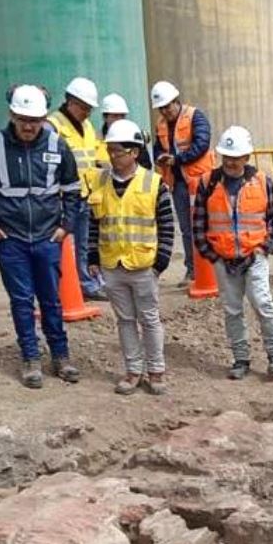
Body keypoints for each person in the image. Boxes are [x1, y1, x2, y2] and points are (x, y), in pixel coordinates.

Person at [0, 84, 81, 389]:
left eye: (35, 120)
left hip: (47, 237)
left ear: (44, 118)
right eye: (22, 119)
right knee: (21, 301)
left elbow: (72, 190)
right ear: (11, 115)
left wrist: (65, 227)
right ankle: (30, 357)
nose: (29, 126)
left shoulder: (57, 145)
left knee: (52, 300)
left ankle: (61, 355)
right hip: (10, 239)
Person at [86, 119, 172, 395]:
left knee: (149, 318)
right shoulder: (101, 181)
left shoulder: (153, 183)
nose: (112, 156)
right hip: (113, 264)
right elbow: (93, 222)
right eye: (110, 150)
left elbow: (167, 224)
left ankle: (156, 371)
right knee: (124, 320)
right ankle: (133, 370)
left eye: (118, 151)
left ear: (134, 152)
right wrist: (92, 257)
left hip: (143, 264)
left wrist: (161, 261)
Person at [192, 125, 273, 381]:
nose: (232, 162)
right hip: (223, 258)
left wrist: (265, 248)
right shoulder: (208, 183)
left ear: (247, 157)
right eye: (228, 157)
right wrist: (211, 254)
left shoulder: (262, 182)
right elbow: (198, 222)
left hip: (254, 255)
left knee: (262, 303)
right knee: (232, 310)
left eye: (237, 157)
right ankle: (240, 358)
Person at [49, 76, 107, 302]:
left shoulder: (86, 126)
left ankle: (85, 284)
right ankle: (58, 287)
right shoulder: (53, 125)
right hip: (61, 196)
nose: (87, 113)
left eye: (90, 109)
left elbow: (95, 153)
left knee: (84, 244)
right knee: (59, 243)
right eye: (84, 108)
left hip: (84, 194)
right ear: (71, 102)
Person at [149, 80, 212, 288]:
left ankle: (211, 268)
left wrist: (177, 159)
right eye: (161, 108)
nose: (164, 112)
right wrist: (159, 158)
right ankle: (192, 270)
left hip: (200, 181)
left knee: (204, 226)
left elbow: (202, 144)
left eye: (167, 107)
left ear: (176, 102)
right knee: (186, 229)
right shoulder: (161, 124)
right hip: (179, 183)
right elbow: (158, 148)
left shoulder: (195, 117)